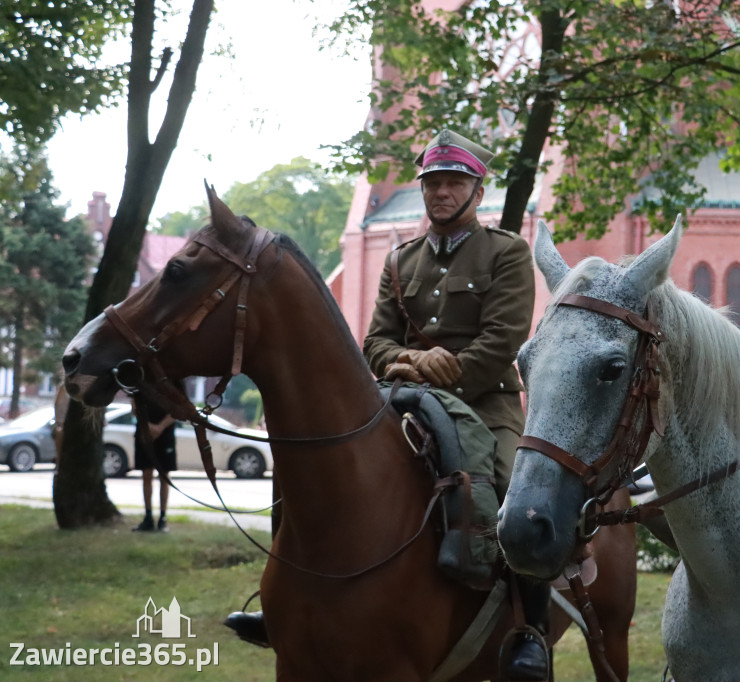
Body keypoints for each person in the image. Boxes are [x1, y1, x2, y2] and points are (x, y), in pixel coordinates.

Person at [226, 129, 547, 679]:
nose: (440, 193)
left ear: (476, 189)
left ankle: (529, 633)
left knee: (520, 497)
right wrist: (414, 364)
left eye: (453, 183)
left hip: (486, 405)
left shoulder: (507, 253)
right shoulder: (401, 260)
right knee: (312, 471)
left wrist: (437, 367)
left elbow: (501, 344)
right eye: (432, 184)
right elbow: (374, 343)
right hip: (401, 398)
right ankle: (285, 599)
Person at [132, 401, 177, 533]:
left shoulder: (174, 383)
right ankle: (148, 517)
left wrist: (160, 427)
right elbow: (135, 406)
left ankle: (163, 518)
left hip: (166, 435)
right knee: (146, 475)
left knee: (164, 476)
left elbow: (177, 408)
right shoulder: (139, 382)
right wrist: (147, 426)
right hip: (143, 433)